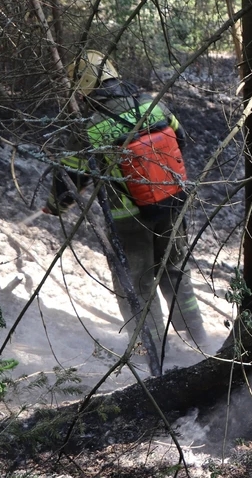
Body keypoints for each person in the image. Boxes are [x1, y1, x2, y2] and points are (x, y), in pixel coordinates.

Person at [45, 50, 208, 351]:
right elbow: (180, 139)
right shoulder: (152, 104)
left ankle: (156, 356)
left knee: (137, 285)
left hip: (128, 220)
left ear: (84, 85)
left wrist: (56, 207)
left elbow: (69, 179)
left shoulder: (89, 127)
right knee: (175, 273)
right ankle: (200, 342)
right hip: (172, 205)